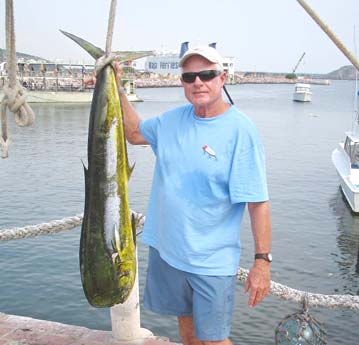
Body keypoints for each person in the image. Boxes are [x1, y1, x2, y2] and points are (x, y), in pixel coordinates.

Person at [114, 46, 272, 345]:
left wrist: (262, 262)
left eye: (207, 74)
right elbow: (134, 134)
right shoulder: (171, 121)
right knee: (187, 332)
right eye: (189, 76)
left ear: (222, 78)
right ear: (182, 82)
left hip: (211, 260)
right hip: (168, 252)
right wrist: (117, 87)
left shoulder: (241, 130)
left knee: (213, 340)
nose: (198, 82)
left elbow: (258, 202)